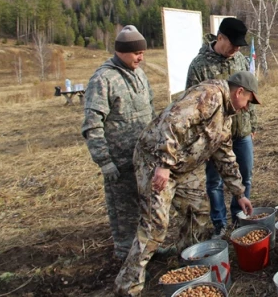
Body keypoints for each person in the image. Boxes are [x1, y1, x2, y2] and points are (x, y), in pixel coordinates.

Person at [114, 71, 258, 296]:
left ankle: (186, 261)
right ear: (239, 91)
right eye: (248, 100)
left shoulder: (225, 118)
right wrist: (163, 163)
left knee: (199, 211)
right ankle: (127, 287)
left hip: (180, 168)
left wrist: (239, 193)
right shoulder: (209, 95)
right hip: (156, 162)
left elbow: (225, 157)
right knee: (155, 227)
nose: (247, 107)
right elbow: (173, 121)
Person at [81, 25, 154, 260]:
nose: (140, 57)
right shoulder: (103, 79)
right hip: (119, 164)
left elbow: (150, 111)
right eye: (136, 53)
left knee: (146, 209)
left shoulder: (140, 74)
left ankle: (147, 251)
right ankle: (125, 257)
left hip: (143, 159)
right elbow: (92, 124)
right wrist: (104, 161)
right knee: (124, 215)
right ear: (121, 51)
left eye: (142, 52)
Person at [186, 17, 257, 239]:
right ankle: (220, 223)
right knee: (215, 181)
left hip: (241, 131)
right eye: (232, 44)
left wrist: (252, 123)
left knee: (244, 177)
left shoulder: (241, 61)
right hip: (213, 137)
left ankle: (239, 218)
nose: (236, 49)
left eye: (239, 45)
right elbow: (191, 104)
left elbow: (250, 92)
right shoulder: (200, 65)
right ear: (220, 38)